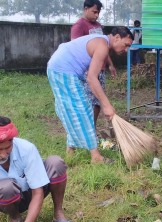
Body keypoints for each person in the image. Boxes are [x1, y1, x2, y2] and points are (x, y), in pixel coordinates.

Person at [47, 27, 134, 164]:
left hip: (58, 69)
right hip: (63, 70)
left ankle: (70, 151)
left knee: (72, 112)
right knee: (83, 110)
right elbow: (92, 78)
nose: (127, 49)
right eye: (126, 44)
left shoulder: (102, 43)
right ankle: (96, 157)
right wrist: (106, 105)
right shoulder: (102, 45)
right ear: (117, 37)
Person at [70, 0, 117, 154]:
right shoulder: (79, 26)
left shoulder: (98, 27)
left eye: (98, 13)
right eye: (94, 12)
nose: (96, 15)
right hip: (87, 71)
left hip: (100, 70)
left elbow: (103, 47)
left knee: (97, 102)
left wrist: (109, 64)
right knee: (86, 104)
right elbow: (75, 48)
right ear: (86, 9)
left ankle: (92, 130)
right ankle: (82, 137)